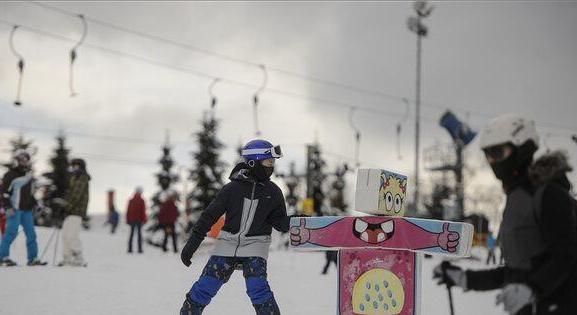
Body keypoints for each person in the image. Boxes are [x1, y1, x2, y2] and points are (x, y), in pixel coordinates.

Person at [433, 115, 577, 315]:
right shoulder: (517, 198)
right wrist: (465, 279)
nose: (492, 161)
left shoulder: (549, 194)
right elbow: (515, 272)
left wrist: (533, 289)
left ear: (522, 149)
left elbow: (566, 257)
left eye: (497, 152)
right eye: (488, 154)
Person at [180, 140, 289, 315]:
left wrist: (298, 222)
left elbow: (280, 222)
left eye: (273, 163)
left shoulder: (273, 192)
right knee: (205, 286)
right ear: (253, 163)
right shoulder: (232, 189)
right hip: (228, 243)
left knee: (258, 288)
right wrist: (193, 243)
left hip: (256, 244)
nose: (272, 167)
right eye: (268, 162)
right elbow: (209, 216)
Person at [0, 150, 45, 266]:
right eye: (22, 159)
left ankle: (33, 259)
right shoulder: (10, 175)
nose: (24, 161)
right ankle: (2, 257)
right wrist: (7, 207)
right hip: (14, 209)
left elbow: (30, 194)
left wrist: (36, 204)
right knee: (11, 233)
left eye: (26, 159)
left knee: (31, 234)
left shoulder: (29, 175)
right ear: (17, 160)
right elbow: (4, 193)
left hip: (27, 210)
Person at [59, 158, 90, 267]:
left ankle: (78, 257)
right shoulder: (73, 178)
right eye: (73, 166)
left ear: (82, 167)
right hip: (70, 211)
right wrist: (64, 207)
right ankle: (67, 258)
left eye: (77, 166)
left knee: (72, 235)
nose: (74, 168)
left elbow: (76, 195)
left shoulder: (82, 178)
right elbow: (69, 194)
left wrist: (67, 207)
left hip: (77, 211)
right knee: (65, 235)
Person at [126, 186, 147, 254]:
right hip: (138, 220)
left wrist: (128, 219)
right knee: (138, 235)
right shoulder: (141, 201)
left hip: (133, 220)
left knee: (132, 234)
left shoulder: (131, 200)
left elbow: (128, 211)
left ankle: (130, 249)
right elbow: (143, 211)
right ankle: (139, 249)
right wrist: (144, 219)